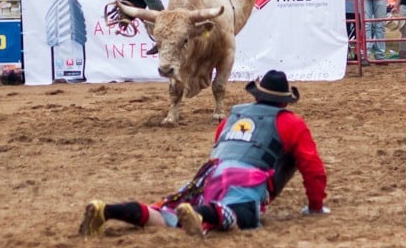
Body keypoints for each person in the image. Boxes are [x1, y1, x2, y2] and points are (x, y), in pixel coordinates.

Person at [79, 70, 329, 238]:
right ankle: (198, 214)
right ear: (285, 101)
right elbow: (312, 166)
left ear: (256, 95)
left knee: (164, 212)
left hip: (212, 171)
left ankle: (106, 210)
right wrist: (315, 206)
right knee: (242, 215)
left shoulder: (235, 115)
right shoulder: (292, 123)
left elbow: (219, 141)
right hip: (248, 176)